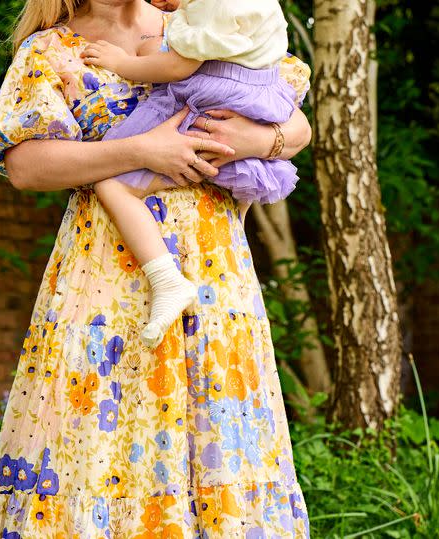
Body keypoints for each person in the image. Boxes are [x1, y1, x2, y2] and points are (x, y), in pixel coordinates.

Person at [0, 0, 312, 537]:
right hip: (104, 281)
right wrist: (143, 150)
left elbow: (294, 121)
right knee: (94, 440)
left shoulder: (199, 25)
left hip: (214, 280)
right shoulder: (55, 48)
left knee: (217, 438)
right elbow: (25, 165)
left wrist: (256, 141)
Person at [81, 0, 301, 349]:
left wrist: (122, 63)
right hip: (259, 98)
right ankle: (238, 231)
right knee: (237, 183)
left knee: (112, 185)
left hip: (211, 96)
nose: (161, 4)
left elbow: (179, 66)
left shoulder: (214, 8)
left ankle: (166, 279)